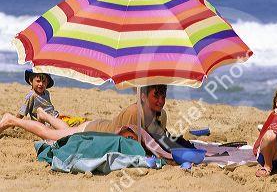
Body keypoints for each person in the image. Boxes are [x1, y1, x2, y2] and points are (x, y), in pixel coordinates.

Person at [0, 85, 169, 143]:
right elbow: (130, 146)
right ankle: (12, 120)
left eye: (163, 96)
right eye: (156, 96)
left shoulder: (161, 115)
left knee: (66, 133)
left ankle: (44, 115)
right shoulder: (135, 112)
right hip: (94, 131)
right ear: (143, 96)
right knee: (51, 136)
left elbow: (157, 139)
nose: (160, 101)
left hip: (101, 126)